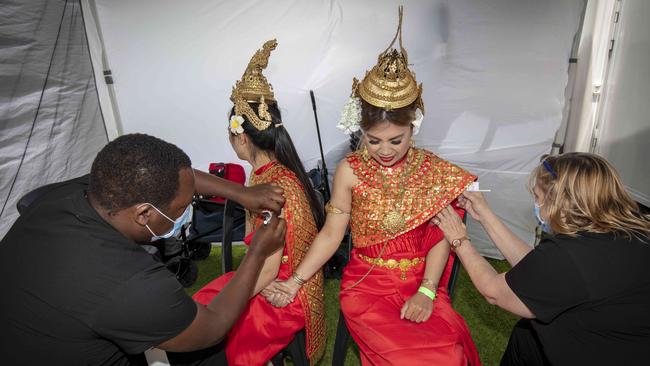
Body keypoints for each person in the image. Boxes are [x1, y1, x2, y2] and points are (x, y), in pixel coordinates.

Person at [266, 8, 481, 365]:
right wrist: (295, 281)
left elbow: (441, 236)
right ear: (361, 132)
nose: (384, 151)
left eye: (396, 141)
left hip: (422, 283)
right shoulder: (349, 170)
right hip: (368, 283)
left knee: (447, 351)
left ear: (413, 128)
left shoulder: (433, 171)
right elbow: (332, 234)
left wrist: (428, 291)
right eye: (373, 140)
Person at [0, 133, 287, 365]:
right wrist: (256, 254)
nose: (186, 211)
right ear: (144, 215)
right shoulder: (129, 282)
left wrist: (242, 193)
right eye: (181, 208)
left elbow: (177, 176)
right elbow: (211, 328)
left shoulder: (70, 196)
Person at [433, 152, 650, 365]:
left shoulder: (572, 254)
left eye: (537, 197)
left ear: (561, 203)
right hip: (615, 340)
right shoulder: (629, 233)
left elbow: (495, 292)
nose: (536, 204)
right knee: (526, 336)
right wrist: (484, 214)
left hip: (595, 352)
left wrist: (459, 239)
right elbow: (538, 271)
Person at [191, 39, 326, 366]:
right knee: (196, 311)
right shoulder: (270, 175)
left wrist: (230, 304)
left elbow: (268, 266)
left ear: (241, 137)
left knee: (213, 335)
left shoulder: (271, 185)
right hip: (268, 278)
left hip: (282, 291)